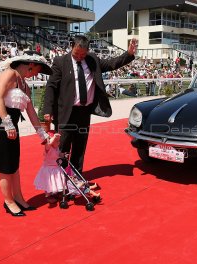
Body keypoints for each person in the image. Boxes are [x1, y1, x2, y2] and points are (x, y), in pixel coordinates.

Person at [43, 35, 138, 173]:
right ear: (71, 46)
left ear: (88, 51)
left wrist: (128, 54)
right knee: (63, 147)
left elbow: (112, 63)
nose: (80, 57)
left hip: (84, 112)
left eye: (83, 54)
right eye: (77, 53)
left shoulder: (92, 59)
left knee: (80, 147)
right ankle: (61, 179)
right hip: (66, 112)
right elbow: (51, 86)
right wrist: (48, 109)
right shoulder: (60, 61)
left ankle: (76, 177)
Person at [0, 51, 53, 217]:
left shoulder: (25, 85)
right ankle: (9, 201)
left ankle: (19, 198)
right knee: (5, 166)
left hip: (11, 126)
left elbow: (31, 113)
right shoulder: (10, 74)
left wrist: (42, 134)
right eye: (38, 70)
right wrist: (7, 123)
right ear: (31, 65)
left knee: (14, 164)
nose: (38, 74)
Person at [33, 131, 100, 203]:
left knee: (58, 181)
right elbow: (48, 145)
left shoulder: (56, 148)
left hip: (56, 168)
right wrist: (54, 138)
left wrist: (64, 155)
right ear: (51, 141)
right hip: (49, 169)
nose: (59, 143)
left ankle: (58, 192)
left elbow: (59, 154)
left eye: (59, 141)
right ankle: (48, 195)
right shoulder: (48, 149)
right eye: (57, 141)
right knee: (49, 183)